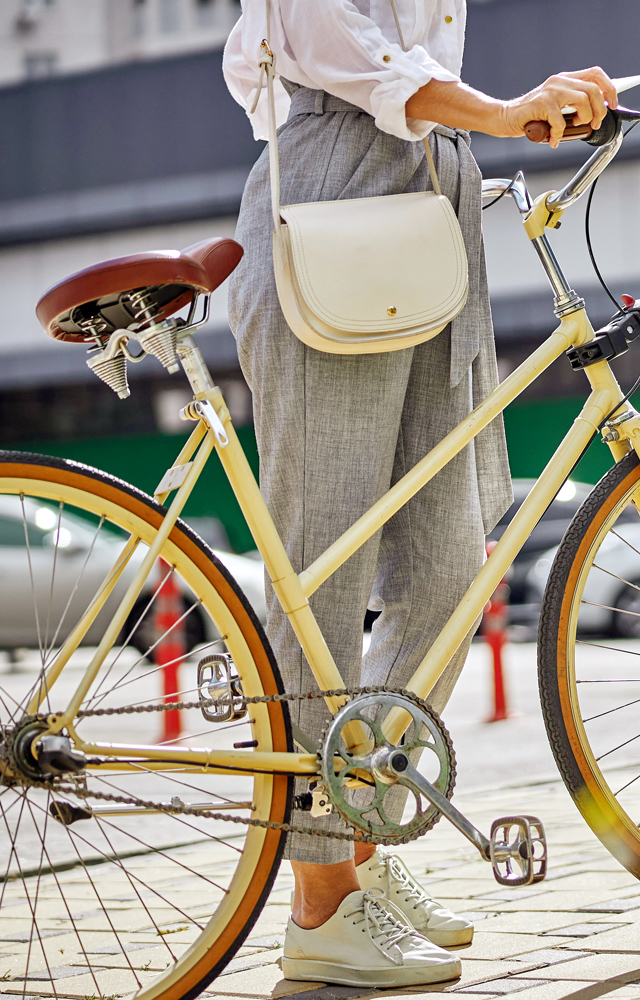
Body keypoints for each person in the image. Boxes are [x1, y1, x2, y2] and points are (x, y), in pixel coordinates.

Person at [222, 1, 618, 987]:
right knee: (324, 571)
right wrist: (502, 108)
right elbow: (343, 52)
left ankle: (355, 850)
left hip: (427, 204)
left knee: (448, 569)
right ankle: (320, 903)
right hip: (332, 198)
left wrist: (539, 111)